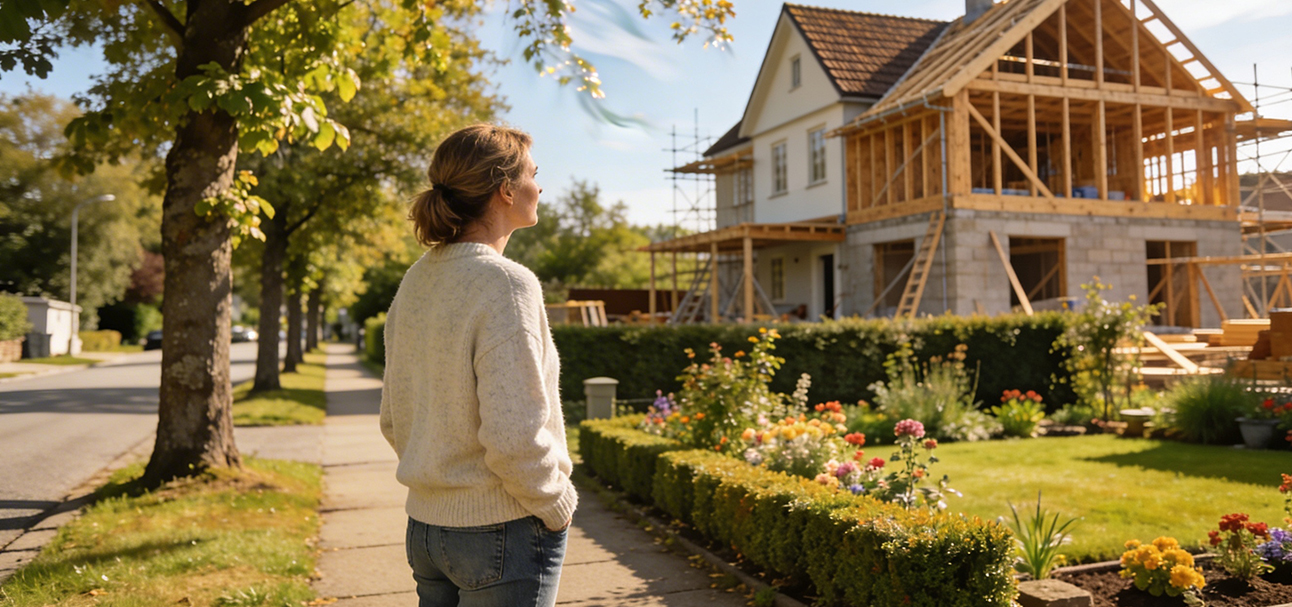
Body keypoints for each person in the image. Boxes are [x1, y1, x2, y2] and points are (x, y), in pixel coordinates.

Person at [379, 124, 577, 607]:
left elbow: (393, 416)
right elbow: (514, 435)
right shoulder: (507, 284)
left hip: (426, 529)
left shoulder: (417, 279)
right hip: (502, 530)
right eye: (534, 173)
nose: (540, 185)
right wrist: (556, 503)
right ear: (506, 190)